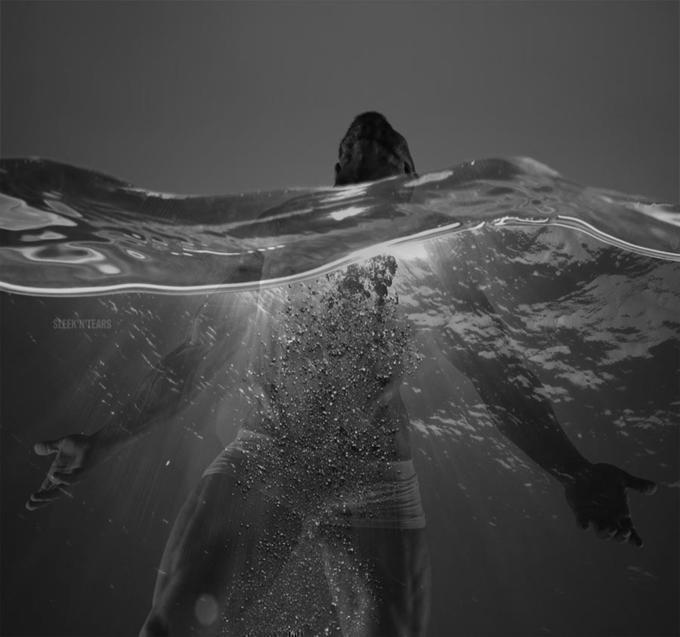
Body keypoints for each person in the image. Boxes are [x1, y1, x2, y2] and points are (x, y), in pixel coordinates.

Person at [27, 112, 657, 637]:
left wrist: (571, 468)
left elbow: (496, 375)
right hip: (269, 452)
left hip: (375, 473)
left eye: (391, 155)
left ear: (412, 178)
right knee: (172, 627)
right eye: (355, 155)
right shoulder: (281, 240)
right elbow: (194, 359)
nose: (371, 134)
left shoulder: (432, 260)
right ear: (336, 173)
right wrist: (104, 439)